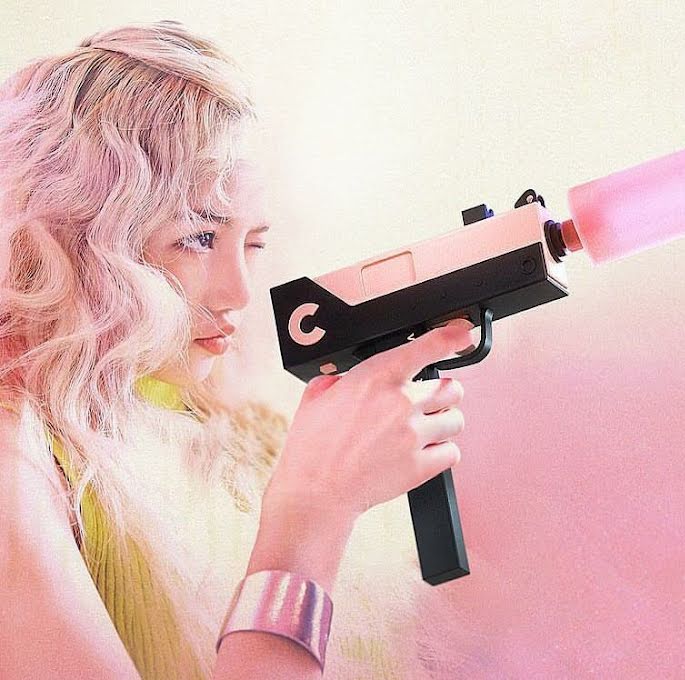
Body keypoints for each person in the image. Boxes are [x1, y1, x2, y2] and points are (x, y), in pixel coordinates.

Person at [0, 20, 476, 679]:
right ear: (78, 237)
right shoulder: (19, 452)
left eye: (252, 243)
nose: (239, 293)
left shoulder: (247, 435)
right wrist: (313, 508)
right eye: (198, 238)